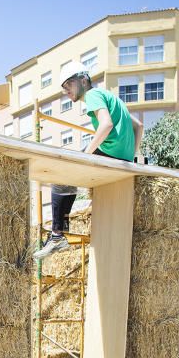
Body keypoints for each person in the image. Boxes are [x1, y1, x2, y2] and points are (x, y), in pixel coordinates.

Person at [33, 61, 143, 259]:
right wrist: (132, 159)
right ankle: (59, 233)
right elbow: (139, 126)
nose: (66, 91)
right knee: (70, 178)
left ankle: (57, 234)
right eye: (63, 89)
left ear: (84, 80)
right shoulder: (111, 97)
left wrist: (86, 155)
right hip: (122, 158)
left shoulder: (92, 95)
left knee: (60, 174)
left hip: (109, 153)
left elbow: (106, 124)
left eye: (69, 85)